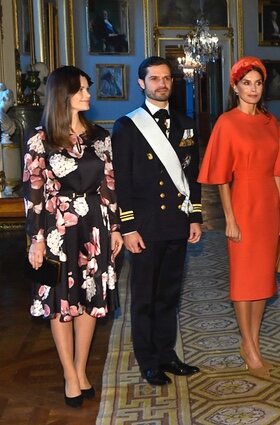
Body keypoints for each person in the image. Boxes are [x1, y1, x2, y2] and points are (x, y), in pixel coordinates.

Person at [23, 66, 123, 407]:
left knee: (90, 299)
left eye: (87, 88)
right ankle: (68, 372)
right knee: (61, 302)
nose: (88, 94)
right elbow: (33, 192)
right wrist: (36, 239)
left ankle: (81, 368)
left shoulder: (100, 137)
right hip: (57, 230)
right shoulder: (40, 139)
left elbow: (110, 185)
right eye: (80, 89)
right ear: (61, 95)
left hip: (96, 226)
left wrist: (117, 228)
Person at [111, 56, 203, 386]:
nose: (162, 84)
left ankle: (167, 354)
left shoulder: (186, 123)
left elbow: (191, 176)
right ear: (141, 83)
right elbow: (121, 181)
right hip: (145, 226)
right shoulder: (126, 126)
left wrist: (195, 217)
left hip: (176, 223)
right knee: (145, 296)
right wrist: (128, 226)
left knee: (169, 294)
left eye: (166, 78)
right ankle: (148, 361)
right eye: (154, 79)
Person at [198, 57, 280, 378]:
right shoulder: (226, 122)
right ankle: (248, 344)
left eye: (258, 83)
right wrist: (230, 218)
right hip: (243, 203)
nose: (252, 89)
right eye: (246, 83)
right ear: (235, 87)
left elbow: (279, 171)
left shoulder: (270, 122)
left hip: (267, 206)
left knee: (263, 278)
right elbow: (221, 176)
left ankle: (254, 339)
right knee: (243, 277)